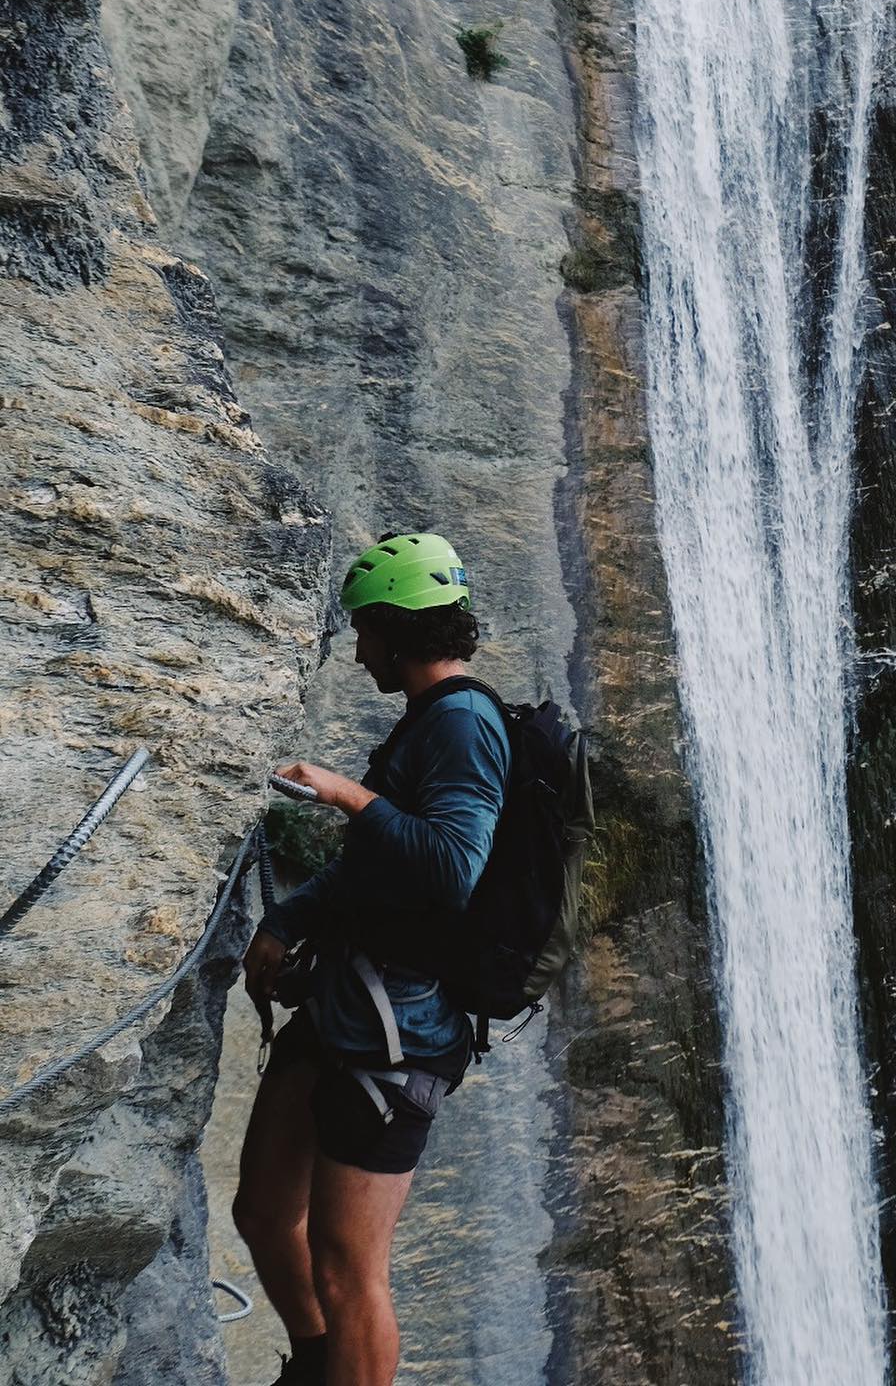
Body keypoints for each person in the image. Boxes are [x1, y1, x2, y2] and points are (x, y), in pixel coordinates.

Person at [233, 532, 509, 1386]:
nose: (358, 651)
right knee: (262, 1211)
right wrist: (286, 919)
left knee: (349, 1272)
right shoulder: (427, 723)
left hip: (400, 1034)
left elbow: (453, 868)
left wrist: (349, 794)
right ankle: (316, 1368)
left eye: (364, 632)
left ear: (396, 629)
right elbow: (372, 871)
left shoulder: (463, 724)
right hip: (345, 1002)